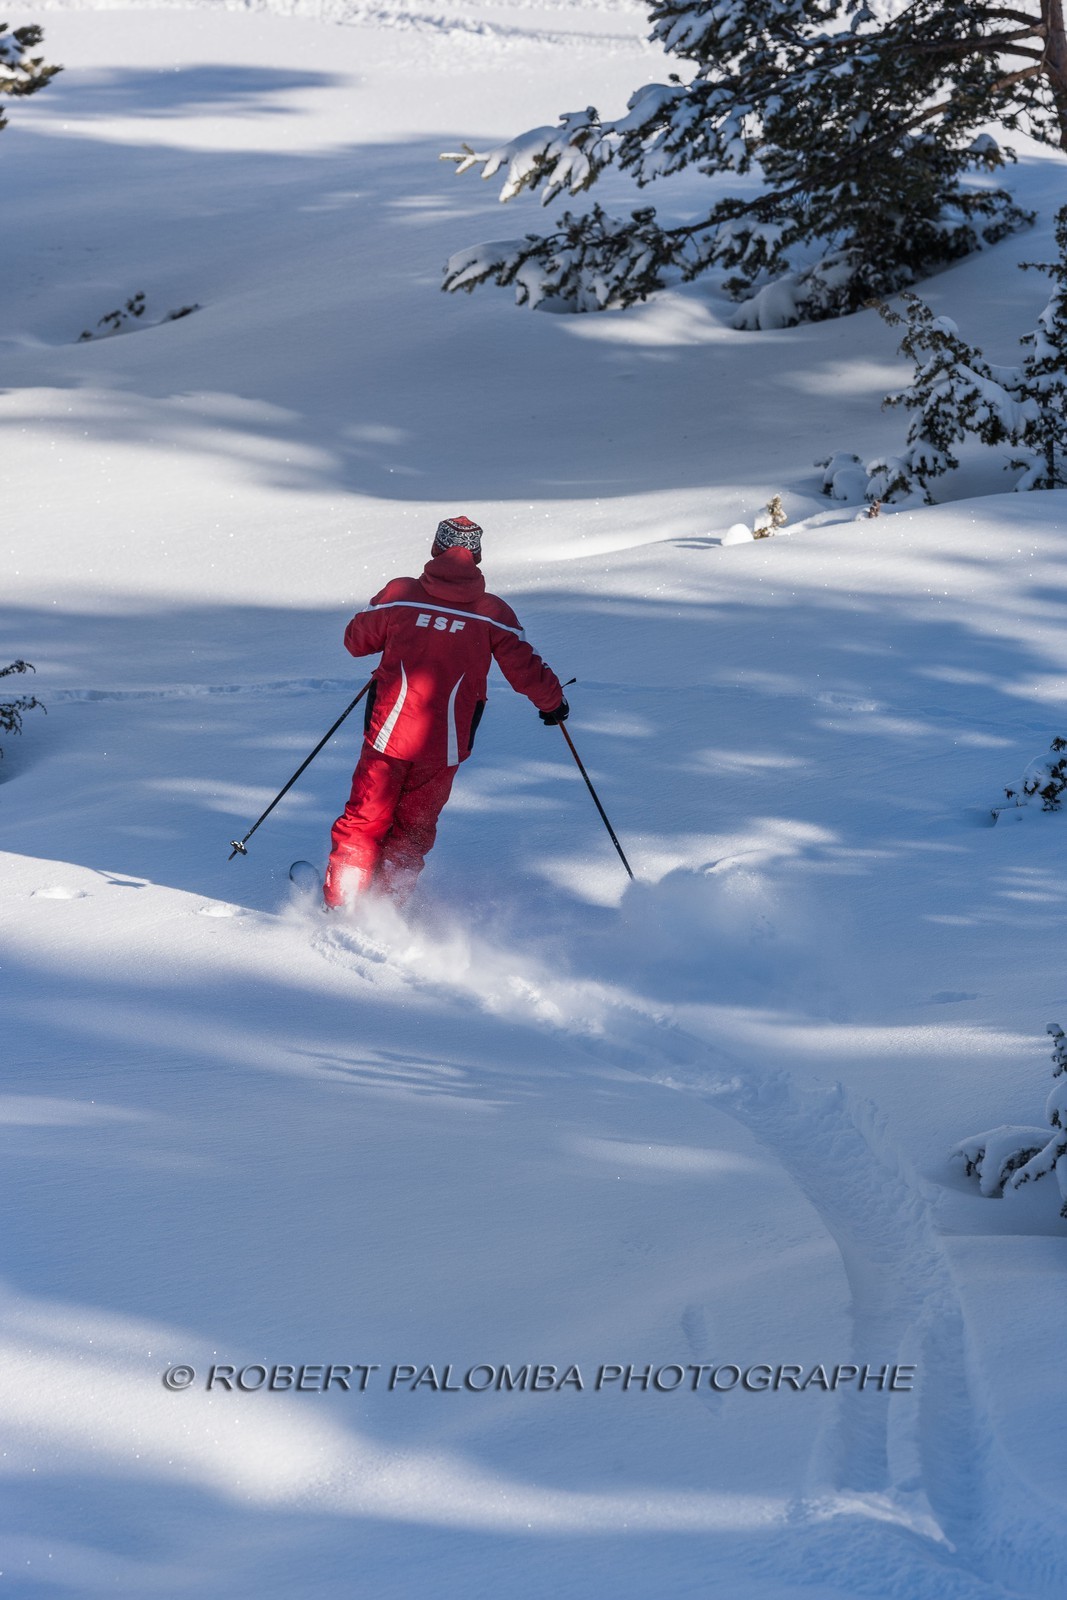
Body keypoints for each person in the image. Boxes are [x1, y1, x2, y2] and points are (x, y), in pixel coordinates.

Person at [324, 516, 568, 908]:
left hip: (388, 733)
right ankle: (388, 908)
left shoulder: (402, 593)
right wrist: (553, 703)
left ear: (436, 549)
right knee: (415, 828)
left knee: (365, 819)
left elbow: (356, 641)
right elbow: (526, 670)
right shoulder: (493, 613)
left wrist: (386, 612)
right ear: (478, 556)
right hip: (447, 743)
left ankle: (343, 905)